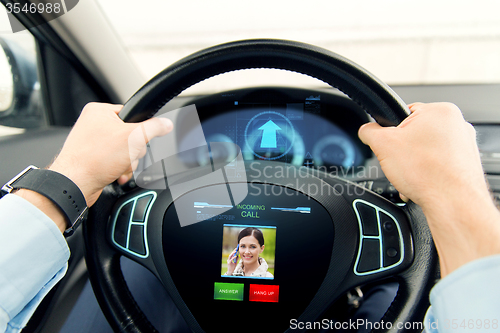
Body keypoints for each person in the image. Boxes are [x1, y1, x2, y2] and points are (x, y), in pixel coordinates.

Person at [0, 101, 499, 332]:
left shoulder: (196, 194)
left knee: (135, 273)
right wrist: (452, 192)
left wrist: (70, 177)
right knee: (392, 291)